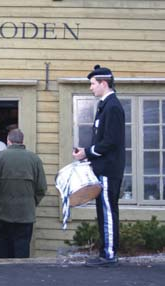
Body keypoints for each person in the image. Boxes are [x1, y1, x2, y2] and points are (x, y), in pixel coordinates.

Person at [73, 65, 125, 267]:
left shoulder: (112, 107)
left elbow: (110, 142)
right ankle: (106, 252)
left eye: (93, 84)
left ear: (104, 83)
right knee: (104, 210)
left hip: (108, 169)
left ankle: (109, 254)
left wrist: (87, 152)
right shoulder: (106, 105)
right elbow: (103, 141)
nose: (90, 88)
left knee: (107, 210)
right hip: (103, 167)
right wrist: (86, 153)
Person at [0, 129, 47, 258]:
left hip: (0, 212)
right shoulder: (34, 159)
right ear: (22, 141)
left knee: (0, 250)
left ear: (8, 140)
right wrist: (32, 202)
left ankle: (2, 277)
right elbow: (41, 188)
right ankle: (21, 276)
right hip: (25, 214)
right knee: (22, 250)